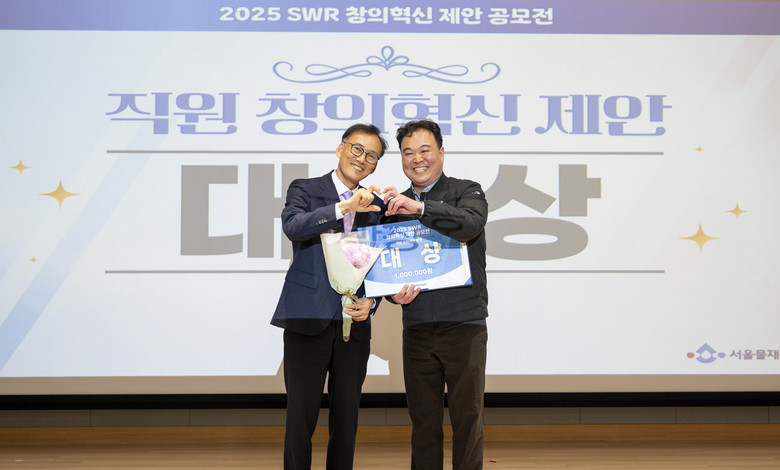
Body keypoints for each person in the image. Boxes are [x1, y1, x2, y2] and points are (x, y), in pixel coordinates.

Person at [271, 123, 388, 470]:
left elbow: (381, 262)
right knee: (300, 417)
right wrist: (344, 207)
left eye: (372, 156)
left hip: (354, 322)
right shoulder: (305, 188)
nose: (362, 159)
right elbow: (293, 226)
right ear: (340, 148)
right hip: (307, 317)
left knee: (346, 418)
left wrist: (373, 302)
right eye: (357, 149)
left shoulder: (377, 205)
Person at [382, 119, 489, 470]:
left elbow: (469, 224)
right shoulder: (391, 207)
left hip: (464, 324)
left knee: (467, 419)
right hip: (416, 328)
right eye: (408, 152)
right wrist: (392, 296)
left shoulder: (466, 191)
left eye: (424, 150)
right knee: (423, 422)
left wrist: (420, 208)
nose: (417, 159)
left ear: (441, 153)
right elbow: (386, 266)